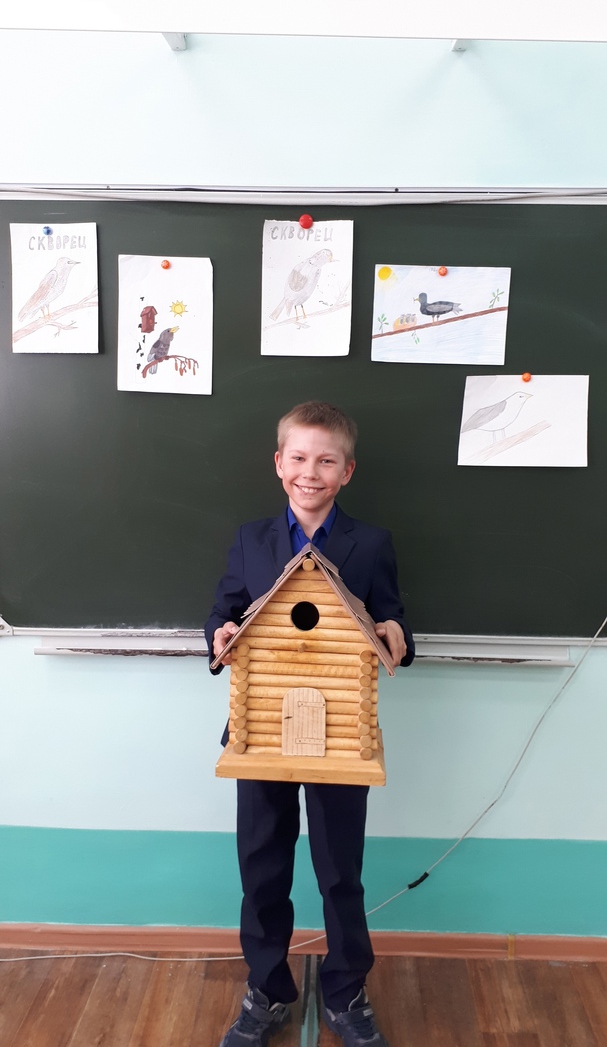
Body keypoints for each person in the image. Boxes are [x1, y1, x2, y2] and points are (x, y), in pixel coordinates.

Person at [205, 401, 415, 1047]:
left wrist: (396, 633)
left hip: (340, 738)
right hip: (261, 733)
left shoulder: (370, 544)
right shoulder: (251, 540)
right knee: (262, 868)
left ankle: (345, 991)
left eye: (326, 461)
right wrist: (218, 633)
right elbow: (222, 612)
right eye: (298, 458)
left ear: (346, 471)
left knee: (338, 871)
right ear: (278, 463)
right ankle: (267, 989)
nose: (310, 473)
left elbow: (395, 619)